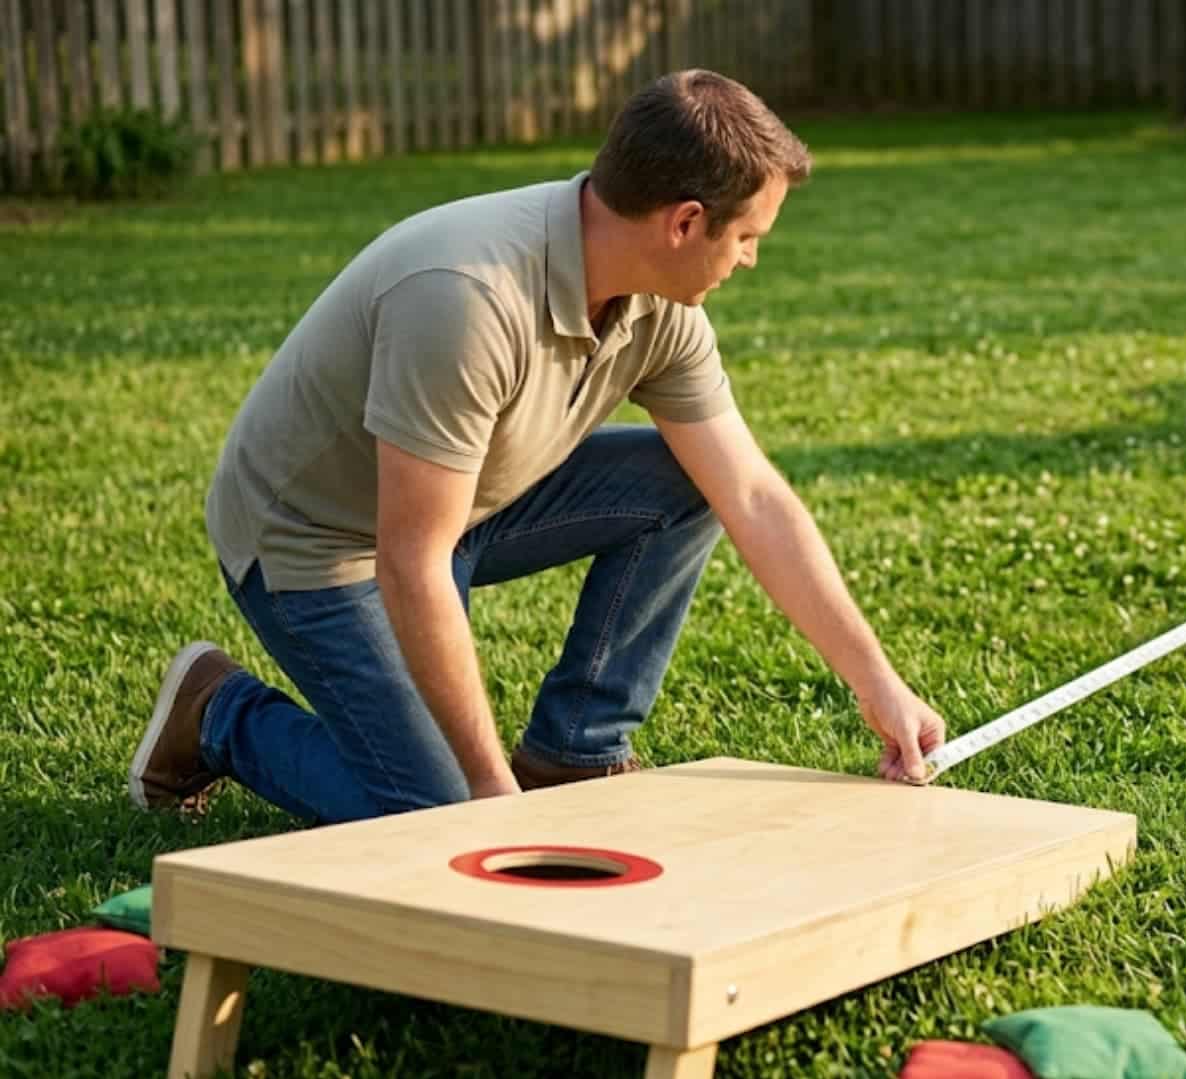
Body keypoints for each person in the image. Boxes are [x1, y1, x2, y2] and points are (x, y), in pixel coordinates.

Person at [129, 70, 946, 824]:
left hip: (459, 508)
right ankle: (218, 713)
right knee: (432, 811)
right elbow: (410, 561)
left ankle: (571, 758)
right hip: (318, 542)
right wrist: (488, 794)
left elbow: (753, 496)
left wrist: (878, 682)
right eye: (747, 237)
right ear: (685, 222)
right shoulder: (465, 300)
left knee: (685, 482)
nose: (752, 258)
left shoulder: (661, 307)